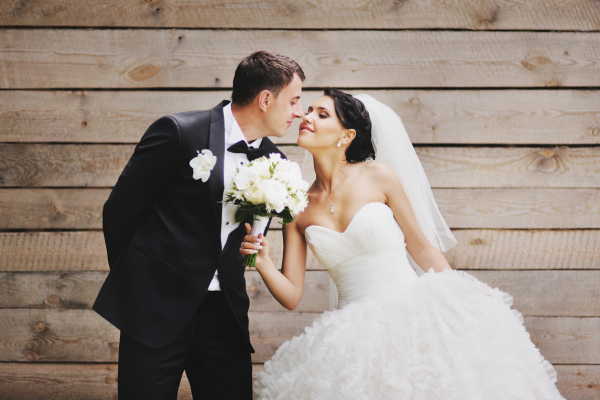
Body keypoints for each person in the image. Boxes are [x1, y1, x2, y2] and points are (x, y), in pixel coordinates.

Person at [241, 88, 566, 399]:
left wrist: (462, 294)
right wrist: (265, 263)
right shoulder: (296, 206)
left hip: (413, 314)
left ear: (346, 136)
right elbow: (292, 295)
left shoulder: (378, 176)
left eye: (322, 114)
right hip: (351, 337)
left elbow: (420, 246)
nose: (307, 117)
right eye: (308, 110)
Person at [92, 51, 305, 399]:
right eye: (294, 100)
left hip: (226, 314)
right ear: (266, 99)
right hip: (156, 309)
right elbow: (119, 212)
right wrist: (142, 286)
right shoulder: (179, 132)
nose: (298, 111)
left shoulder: (276, 163)